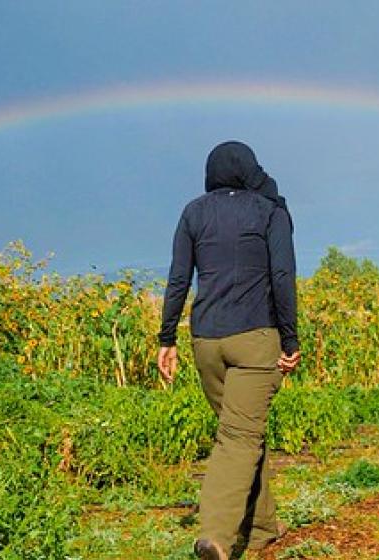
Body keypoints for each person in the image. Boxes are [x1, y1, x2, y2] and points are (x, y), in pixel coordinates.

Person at [157, 141, 301, 559]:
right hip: (255, 340)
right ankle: (216, 536)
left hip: (206, 343)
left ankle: (262, 527)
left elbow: (178, 279)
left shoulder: (193, 212)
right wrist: (290, 340)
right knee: (239, 436)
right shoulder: (269, 211)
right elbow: (282, 275)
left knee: (244, 430)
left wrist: (166, 339)